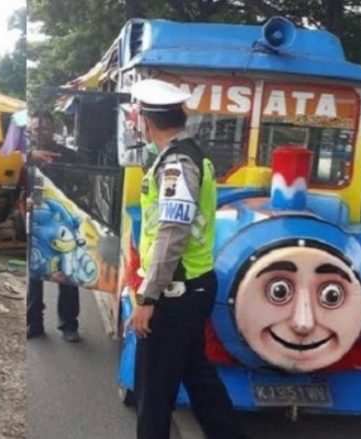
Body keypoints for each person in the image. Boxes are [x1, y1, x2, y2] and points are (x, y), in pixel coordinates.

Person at [126, 79, 245, 439]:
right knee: (197, 373)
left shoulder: (176, 164)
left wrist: (149, 297)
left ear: (146, 120)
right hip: (192, 285)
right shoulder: (189, 155)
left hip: (175, 290)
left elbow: (172, 232)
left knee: (154, 388)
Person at [25, 111, 81, 342]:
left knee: (67, 273)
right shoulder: (24, 155)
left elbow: (83, 182)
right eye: (36, 129)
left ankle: (69, 324)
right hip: (33, 220)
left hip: (62, 222)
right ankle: (33, 323)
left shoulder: (66, 155)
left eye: (45, 128)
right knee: (35, 276)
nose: (40, 133)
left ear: (53, 130)